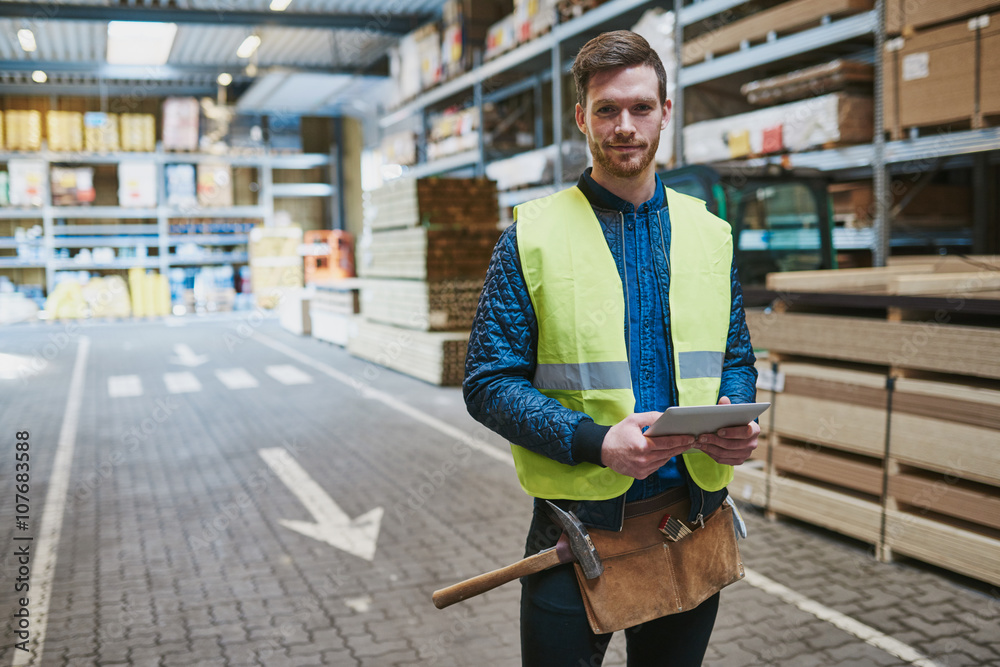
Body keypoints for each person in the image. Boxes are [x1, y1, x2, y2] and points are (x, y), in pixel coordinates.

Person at [464, 30, 759, 667]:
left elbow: (734, 351)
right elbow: (488, 382)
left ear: (665, 113)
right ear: (582, 118)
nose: (625, 126)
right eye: (607, 110)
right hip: (577, 530)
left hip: (690, 519)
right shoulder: (530, 238)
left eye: (641, 108)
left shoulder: (710, 234)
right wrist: (598, 442)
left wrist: (734, 414)